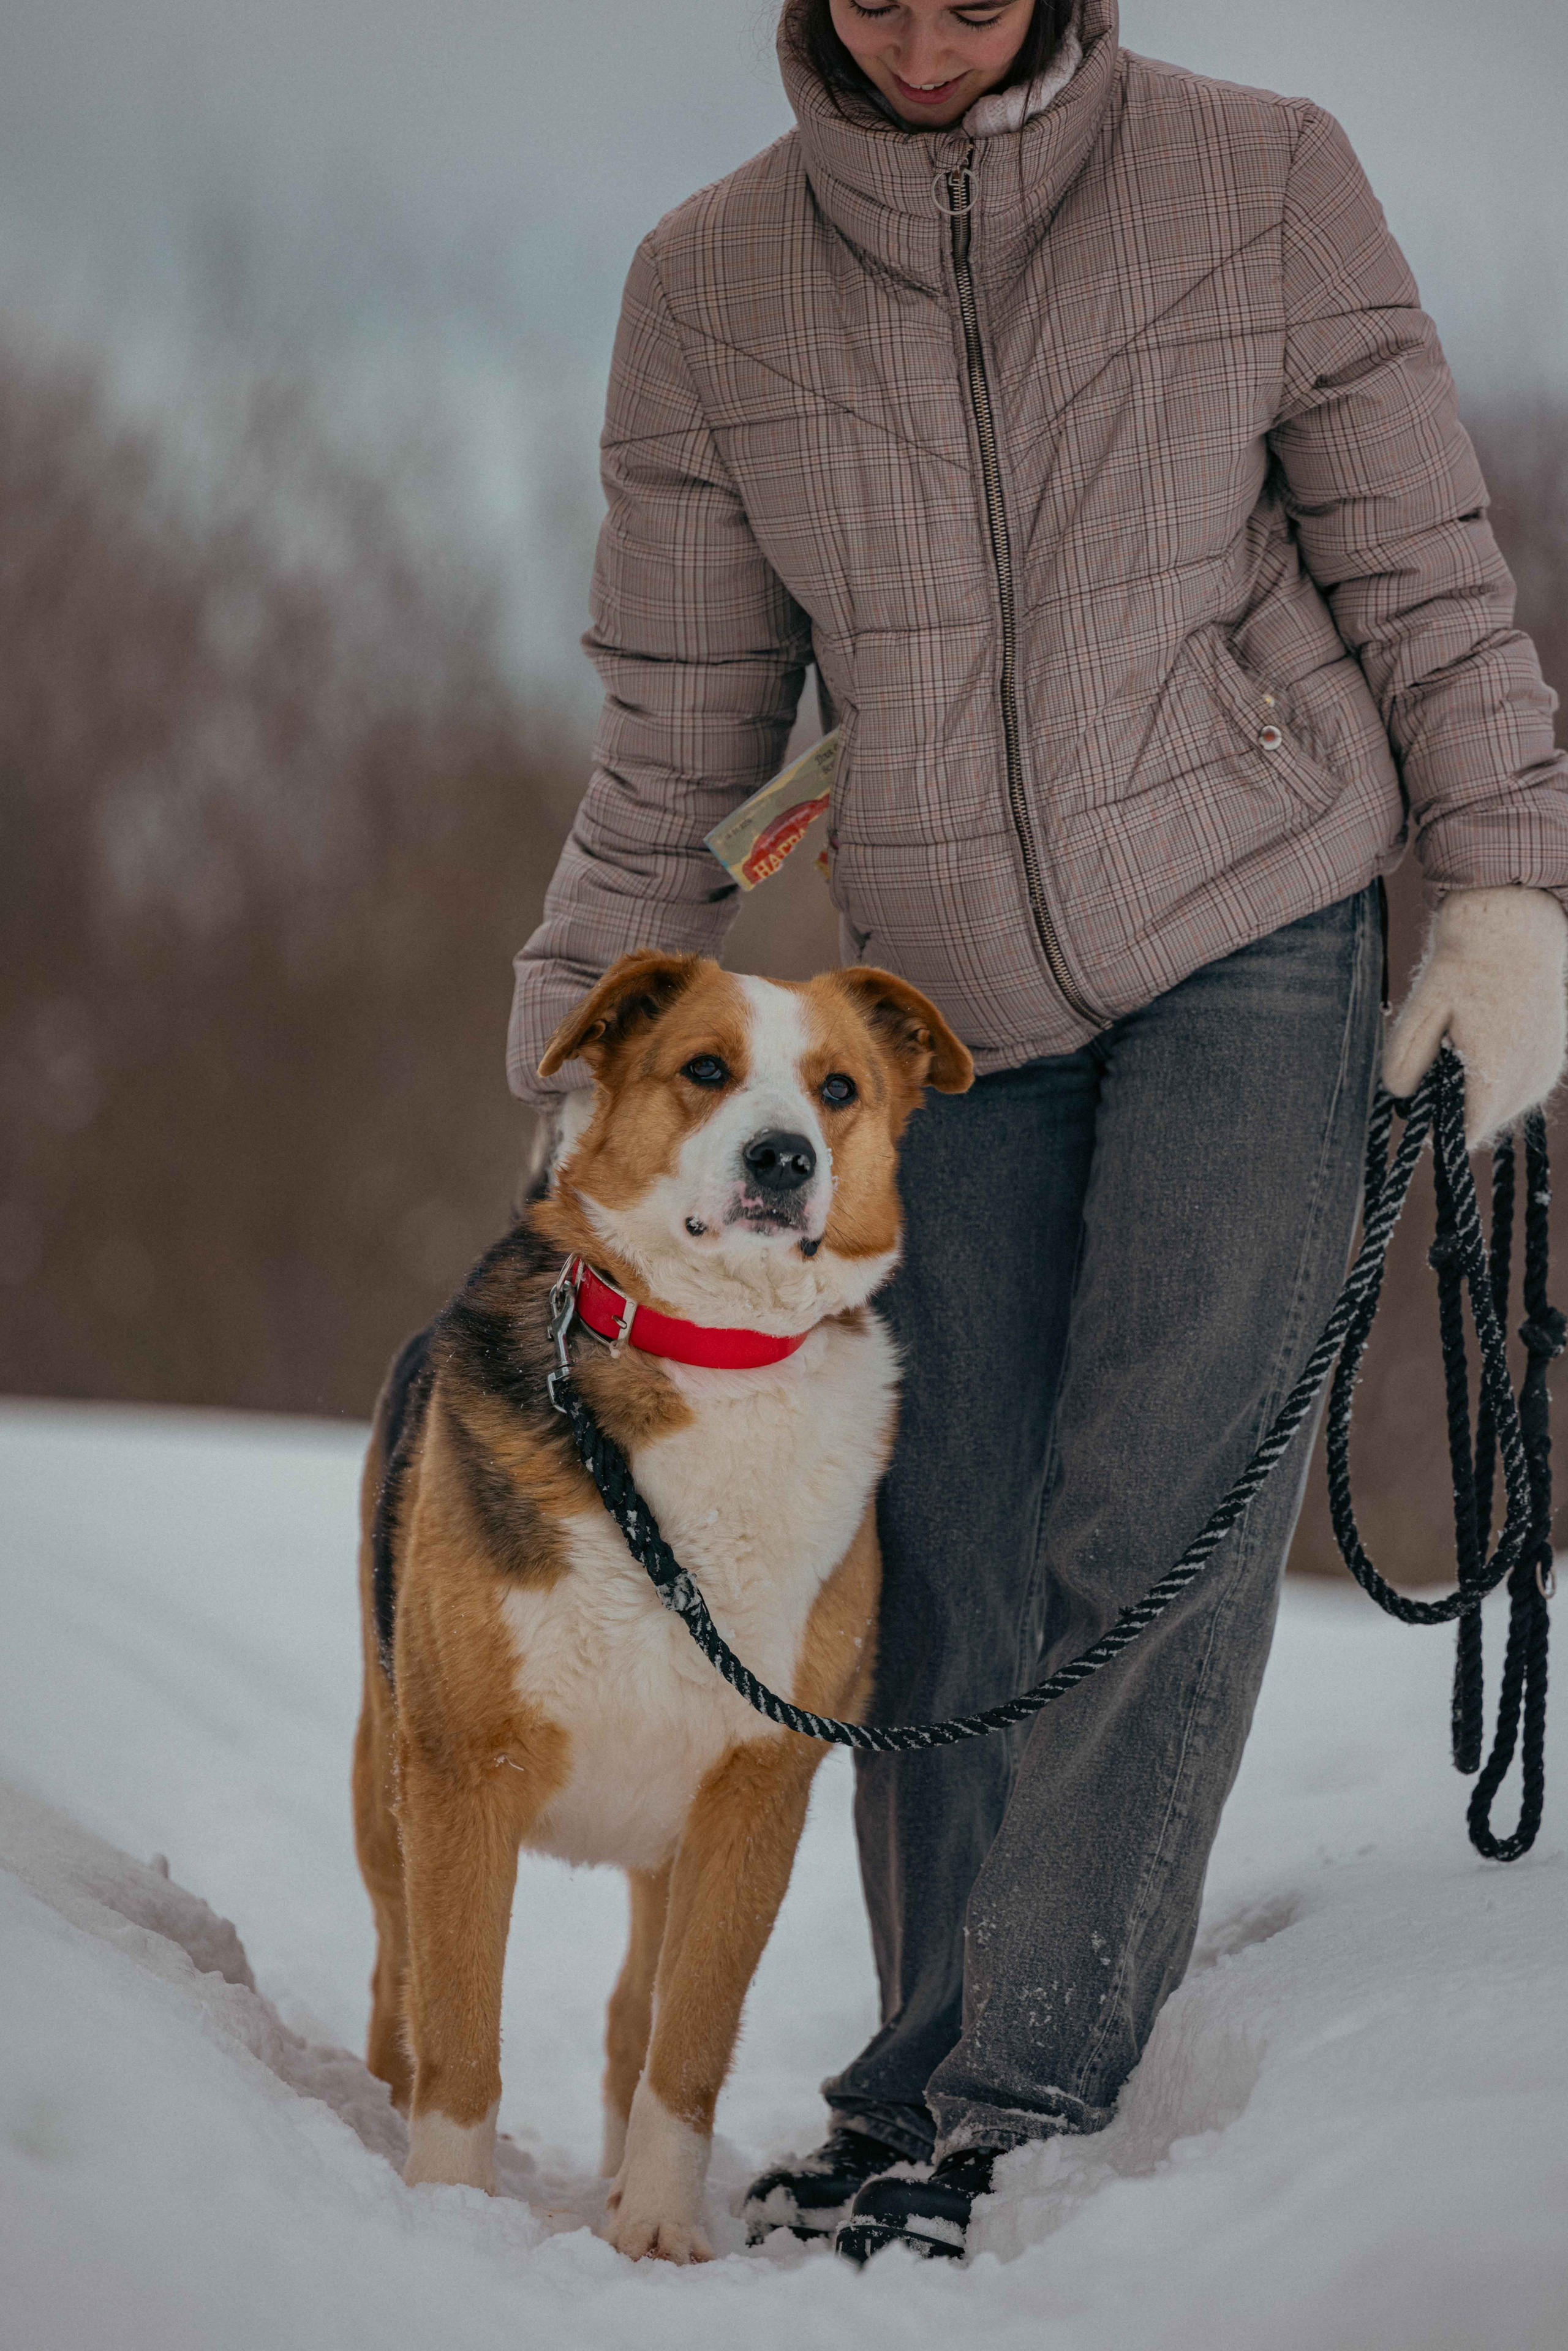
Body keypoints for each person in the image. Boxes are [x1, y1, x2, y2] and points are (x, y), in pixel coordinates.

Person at [508, 0, 1568, 2263]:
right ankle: (918, 2070)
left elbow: (1423, 571)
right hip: (945, 996)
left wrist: (1506, 888)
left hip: (1252, 917)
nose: (921, 38)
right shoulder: (712, 285)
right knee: (944, 1529)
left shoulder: (1260, 175)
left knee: (1157, 1497)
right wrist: (580, 1043)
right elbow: (686, 732)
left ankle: (1031, 2089)